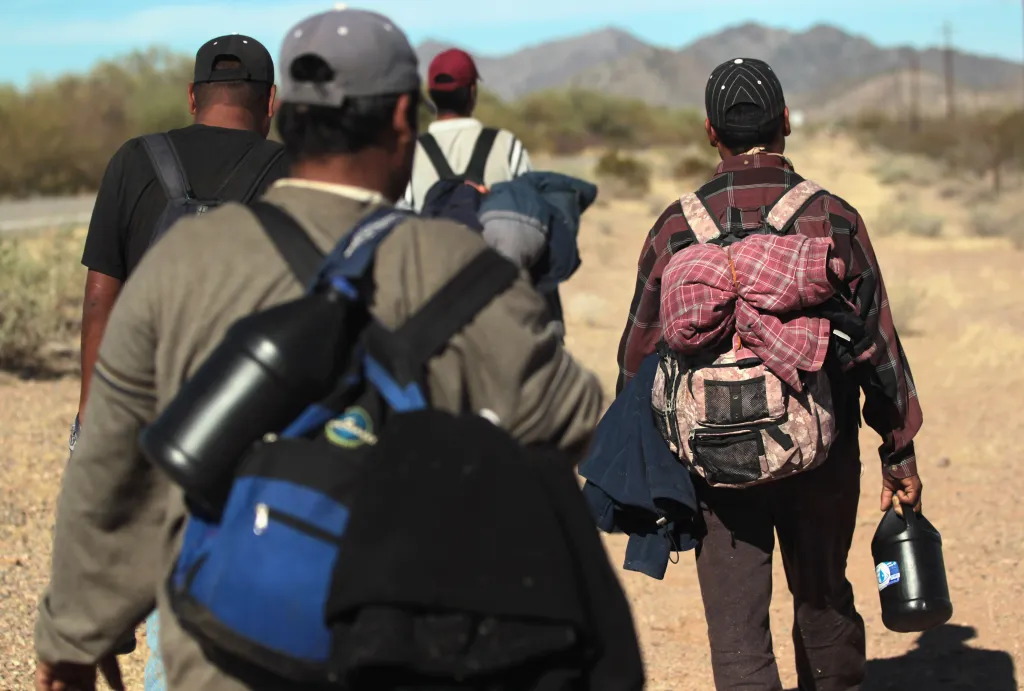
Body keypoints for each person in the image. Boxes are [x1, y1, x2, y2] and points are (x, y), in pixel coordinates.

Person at [35, 7, 603, 691]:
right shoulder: (455, 265)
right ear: (402, 120)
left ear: (290, 115)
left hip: (222, 647)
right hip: (395, 640)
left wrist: (73, 638)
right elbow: (572, 420)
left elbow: (109, 459)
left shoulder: (182, 257)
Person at [615, 57, 924, 690]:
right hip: (822, 450)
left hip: (716, 462)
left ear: (709, 131)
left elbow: (635, 360)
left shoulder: (676, 228)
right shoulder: (832, 218)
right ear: (786, 122)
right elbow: (876, 349)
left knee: (736, 631)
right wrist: (900, 453)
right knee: (823, 601)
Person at [66, 33, 288, 690]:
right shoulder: (293, 174)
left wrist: (90, 420)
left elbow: (100, 297)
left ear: (192, 97)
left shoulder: (135, 162)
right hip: (247, 419)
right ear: (270, 102)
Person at [400, 48, 532, 212]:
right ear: (472, 92)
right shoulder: (507, 146)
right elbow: (531, 210)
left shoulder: (409, 154)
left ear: (430, 94)